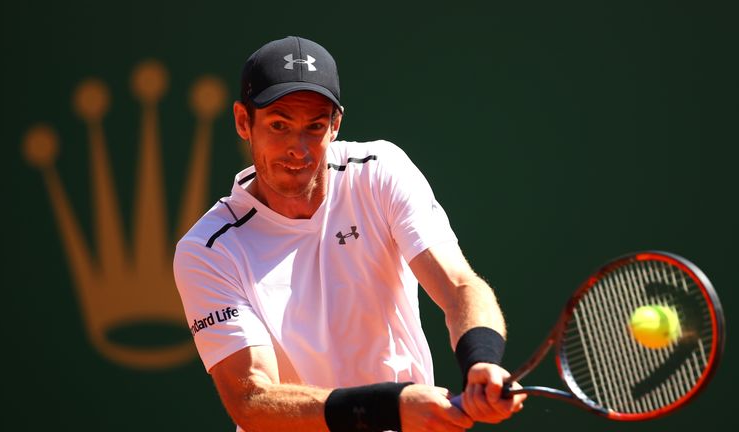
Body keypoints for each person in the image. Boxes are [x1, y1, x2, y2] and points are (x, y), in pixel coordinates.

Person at [173, 35, 526, 432]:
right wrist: (384, 408)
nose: (298, 148)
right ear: (243, 122)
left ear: (335, 125)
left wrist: (482, 360)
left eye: (315, 127)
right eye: (279, 125)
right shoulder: (208, 250)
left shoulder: (379, 171)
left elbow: (459, 284)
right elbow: (253, 400)